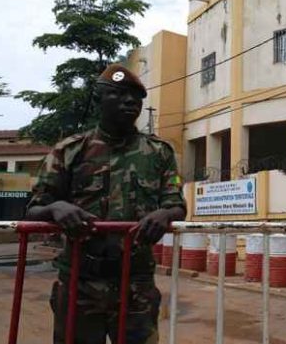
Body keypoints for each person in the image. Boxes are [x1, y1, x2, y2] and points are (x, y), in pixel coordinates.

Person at [26, 64, 186, 344]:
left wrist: (167, 213)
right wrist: (56, 208)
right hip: (80, 280)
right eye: (119, 94)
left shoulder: (158, 152)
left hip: (136, 282)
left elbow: (177, 204)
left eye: (136, 97)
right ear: (99, 99)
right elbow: (33, 208)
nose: (130, 101)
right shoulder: (70, 150)